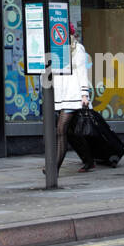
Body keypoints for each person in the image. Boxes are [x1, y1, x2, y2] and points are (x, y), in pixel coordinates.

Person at [51, 23, 94, 173]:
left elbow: (83, 72)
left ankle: (53, 168)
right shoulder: (56, 50)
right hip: (61, 96)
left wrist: (84, 94)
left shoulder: (78, 49)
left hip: (74, 96)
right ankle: (89, 160)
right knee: (70, 132)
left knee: (61, 129)